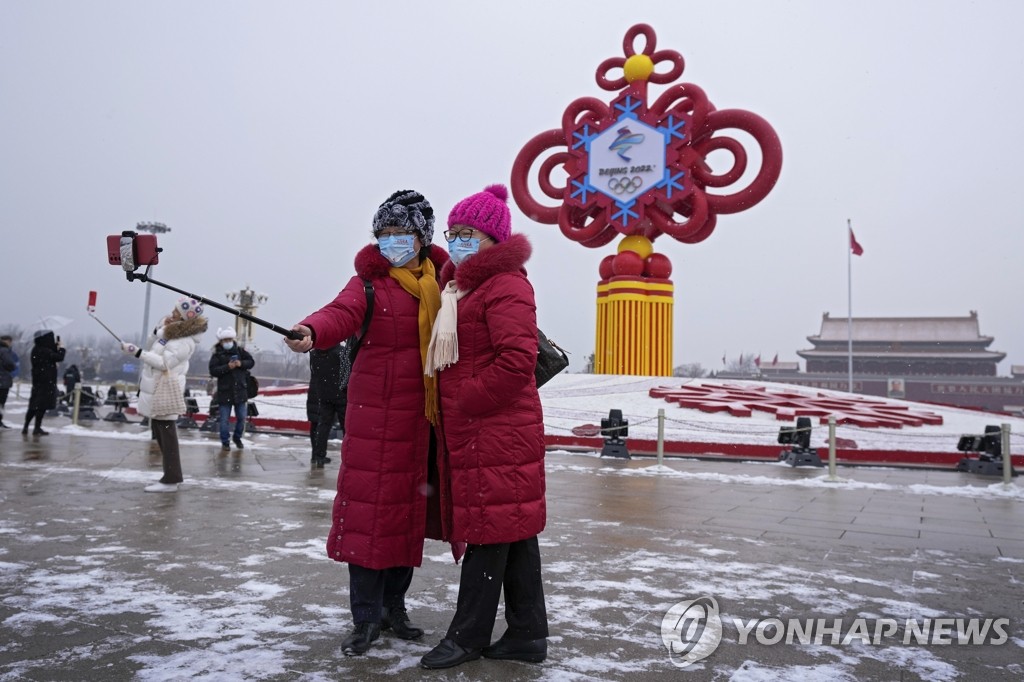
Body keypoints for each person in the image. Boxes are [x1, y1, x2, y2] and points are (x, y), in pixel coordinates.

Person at [285, 189, 450, 657]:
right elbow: (340, 312)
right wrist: (312, 331)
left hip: (423, 421)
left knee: (406, 518)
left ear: (422, 236)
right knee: (368, 520)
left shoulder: (442, 281)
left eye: (401, 233)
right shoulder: (369, 282)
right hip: (375, 420)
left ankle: (395, 610)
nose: (392, 241)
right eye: (384, 234)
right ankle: (365, 619)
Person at [420, 184, 549, 669]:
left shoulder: (505, 284)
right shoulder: (462, 288)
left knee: (488, 533)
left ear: (493, 238)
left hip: (496, 429)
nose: (457, 241)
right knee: (512, 533)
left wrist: (466, 400)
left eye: (467, 233)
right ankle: (527, 635)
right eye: (453, 233)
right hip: (487, 430)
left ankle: (466, 636)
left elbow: (518, 361)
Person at [120, 297, 207, 492]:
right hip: (156, 386)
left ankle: (171, 479)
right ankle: (170, 476)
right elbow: (153, 345)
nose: (172, 313)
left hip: (165, 389)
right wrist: (158, 329)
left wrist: (137, 352)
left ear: (185, 317)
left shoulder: (184, 340)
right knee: (161, 431)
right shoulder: (171, 333)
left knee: (167, 434)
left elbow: (164, 363)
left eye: (176, 312)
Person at [209, 327, 254, 451]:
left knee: (241, 418)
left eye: (229, 339)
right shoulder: (217, 354)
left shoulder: (240, 351)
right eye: (225, 340)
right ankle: (225, 442)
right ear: (221, 341)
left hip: (240, 391)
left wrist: (241, 364)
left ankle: (237, 437)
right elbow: (213, 371)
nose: (228, 342)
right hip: (225, 392)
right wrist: (227, 367)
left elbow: (251, 362)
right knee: (224, 420)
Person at [307, 343, 349, 468]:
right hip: (341, 395)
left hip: (324, 395)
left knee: (323, 426)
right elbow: (347, 373)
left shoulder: (314, 353)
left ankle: (319, 455)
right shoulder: (341, 352)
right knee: (347, 428)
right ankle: (348, 456)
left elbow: (315, 373)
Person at [22, 330, 66, 435]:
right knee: (40, 405)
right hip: (46, 381)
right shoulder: (44, 350)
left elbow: (52, 354)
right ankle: (35, 427)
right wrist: (62, 348)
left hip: (39, 381)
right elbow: (59, 357)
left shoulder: (37, 349)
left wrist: (56, 347)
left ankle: (27, 426)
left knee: (35, 405)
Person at [0, 334, 18, 428]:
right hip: (3, 380)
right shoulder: (4, 351)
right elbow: (10, 363)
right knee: (1, 402)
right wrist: (12, 368)